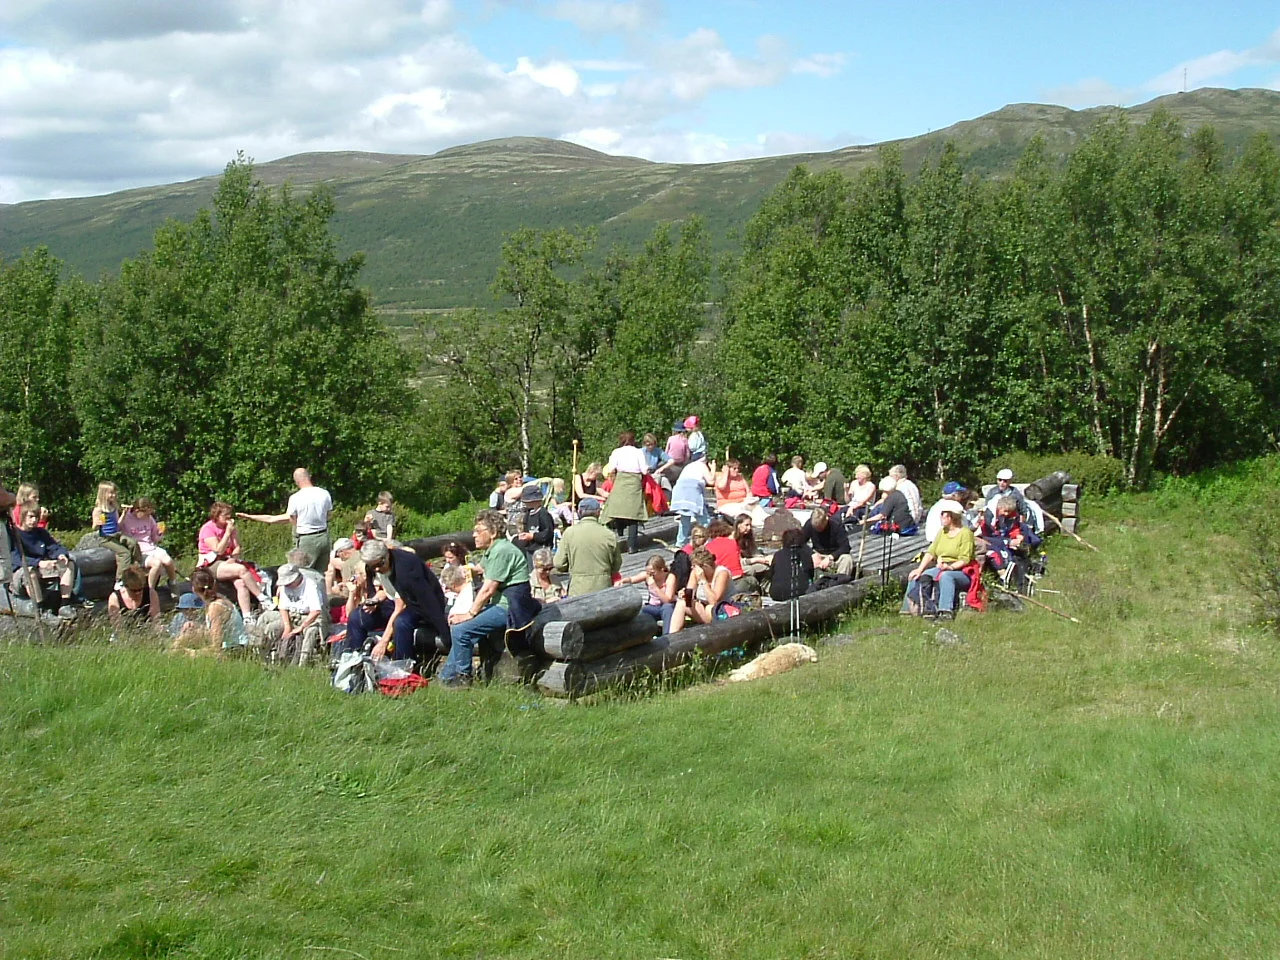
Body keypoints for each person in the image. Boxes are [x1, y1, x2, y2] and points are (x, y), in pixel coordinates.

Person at [440, 510, 536, 687]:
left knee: (461, 631)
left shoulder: (501, 551)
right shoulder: (492, 550)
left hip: (511, 608)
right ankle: (447, 677)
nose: (474, 535)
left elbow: (488, 590)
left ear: (493, 532)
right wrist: (466, 570)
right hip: (502, 604)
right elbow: (480, 568)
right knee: (461, 629)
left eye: (478, 530)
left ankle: (463, 678)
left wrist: (469, 614)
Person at [348, 539, 451, 667]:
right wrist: (375, 600)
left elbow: (401, 606)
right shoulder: (373, 568)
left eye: (380, 564)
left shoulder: (405, 568)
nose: (377, 569)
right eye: (373, 566)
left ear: (387, 555)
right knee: (356, 617)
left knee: (401, 622)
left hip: (418, 605)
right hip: (393, 601)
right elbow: (384, 590)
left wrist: (384, 641)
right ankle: (355, 660)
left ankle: (402, 666)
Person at [237, 468, 333, 571]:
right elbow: (329, 515)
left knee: (303, 571)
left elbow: (289, 520)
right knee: (322, 572)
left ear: (296, 481)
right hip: (324, 537)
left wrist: (250, 517)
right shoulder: (324, 493)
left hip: (307, 539)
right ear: (309, 477)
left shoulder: (295, 498)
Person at [197, 501, 271, 621]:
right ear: (216, 516)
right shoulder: (208, 529)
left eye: (229, 514)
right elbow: (218, 550)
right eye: (225, 515)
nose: (228, 517)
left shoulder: (231, 528)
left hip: (227, 561)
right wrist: (227, 533)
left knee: (241, 583)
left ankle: (247, 616)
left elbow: (237, 547)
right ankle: (262, 598)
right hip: (211, 563)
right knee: (241, 569)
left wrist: (233, 558)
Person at [902, 501, 976, 620]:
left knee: (946, 576)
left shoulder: (965, 534)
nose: (940, 517)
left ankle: (945, 610)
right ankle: (908, 611)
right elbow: (931, 552)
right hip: (941, 567)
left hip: (961, 571)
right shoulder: (942, 532)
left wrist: (950, 567)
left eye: (943, 515)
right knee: (916, 576)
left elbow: (965, 559)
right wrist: (919, 569)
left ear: (951, 517)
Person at [172, 568, 251, 655]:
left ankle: (173, 651)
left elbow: (216, 647)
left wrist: (190, 653)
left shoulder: (215, 607)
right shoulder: (218, 599)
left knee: (183, 652)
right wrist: (197, 629)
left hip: (234, 651)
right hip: (232, 647)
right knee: (190, 629)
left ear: (193, 589)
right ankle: (173, 649)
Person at [553, 498, 621, 597]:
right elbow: (616, 565)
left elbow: (559, 564)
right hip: (603, 587)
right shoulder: (609, 534)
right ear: (598, 512)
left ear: (579, 512)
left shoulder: (569, 533)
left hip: (578, 588)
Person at [262, 562, 327, 665]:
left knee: (311, 631)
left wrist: (301, 627)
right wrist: (288, 627)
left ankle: (303, 662)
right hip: (293, 615)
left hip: (310, 617)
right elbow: (283, 607)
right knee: (272, 628)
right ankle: (270, 656)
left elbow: (316, 611)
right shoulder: (284, 587)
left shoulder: (311, 585)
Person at [11, 506, 76, 606]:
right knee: (30, 573)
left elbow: (54, 547)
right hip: (20, 572)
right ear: (23, 516)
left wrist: (60, 555)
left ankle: (65, 604)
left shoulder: (41, 533)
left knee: (68, 565)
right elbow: (16, 558)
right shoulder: (14, 535)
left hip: (42, 569)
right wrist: (39, 563)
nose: (34, 520)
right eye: (30, 517)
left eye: (36, 517)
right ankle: (40, 608)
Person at [599, 431, 650, 554]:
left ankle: (618, 532)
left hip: (621, 481)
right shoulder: (638, 452)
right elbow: (644, 470)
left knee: (617, 509)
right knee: (633, 515)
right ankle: (632, 546)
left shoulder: (617, 452)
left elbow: (611, 468)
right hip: (634, 482)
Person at [119, 496, 178, 592]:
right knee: (157, 564)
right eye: (145, 513)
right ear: (137, 510)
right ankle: (151, 590)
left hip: (151, 547)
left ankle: (173, 583)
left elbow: (155, 539)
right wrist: (123, 514)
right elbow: (117, 528)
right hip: (139, 551)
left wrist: (160, 533)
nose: (148, 516)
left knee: (168, 561)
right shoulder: (126, 518)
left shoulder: (149, 518)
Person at [669, 547, 732, 633]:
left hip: (722, 610)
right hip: (704, 609)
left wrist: (703, 580)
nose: (692, 568)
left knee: (710, 608)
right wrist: (684, 594)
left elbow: (714, 602)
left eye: (695, 566)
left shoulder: (722, 573)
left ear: (704, 566)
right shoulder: (695, 573)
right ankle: (672, 634)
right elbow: (688, 599)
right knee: (681, 603)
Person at [91, 481, 141, 580]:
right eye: (111, 493)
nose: (114, 495)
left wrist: (124, 514)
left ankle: (136, 566)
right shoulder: (99, 510)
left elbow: (118, 525)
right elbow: (94, 527)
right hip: (106, 538)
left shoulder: (113, 508)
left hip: (117, 534)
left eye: (114, 493)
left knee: (133, 543)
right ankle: (120, 579)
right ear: (103, 494)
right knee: (124, 553)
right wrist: (97, 524)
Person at [621, 555, 678, 634]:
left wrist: (655, 587)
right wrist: (624, 581)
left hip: (666, 607)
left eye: (653, 573)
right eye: (648, 573)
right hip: (653, 607)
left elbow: (667, 600)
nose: (651, 575)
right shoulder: (647, 576)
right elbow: (631, 579)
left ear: (662, 570)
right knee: (641, 612)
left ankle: (667, 634)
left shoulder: (670, 577)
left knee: (667, 608)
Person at [670, 456, 713, 547]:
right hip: (691, 490)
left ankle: (680, 542)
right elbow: (711, 481)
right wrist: (713, 468)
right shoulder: (701, 465)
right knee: (705, 520)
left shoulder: (689, 466)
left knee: (684, 519)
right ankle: (709, 541)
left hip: (679, 490)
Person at [802, 507, 854, 576]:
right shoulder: (809, 525)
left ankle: (840, 579)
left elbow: (845, 547)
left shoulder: (836, 525)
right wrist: (812, 554)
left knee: (847, 559)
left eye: (820, 527)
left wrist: (830, 557)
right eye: (816, 528)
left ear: (826, 520)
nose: (818, 529)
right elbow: (801, 542)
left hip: (835, 556)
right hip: (818, 554)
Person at [107, 564, 160, 632]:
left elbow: (156, 621)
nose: (138, 593)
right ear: (126, 586)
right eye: (134, 590)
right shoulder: (115, 598)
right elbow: (116, 626)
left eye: (140, 589)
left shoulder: (151, 594)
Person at [768, 527, 815, 601]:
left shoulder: (778, 554)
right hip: (800, 593)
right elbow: (811, 573)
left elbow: (771, 574)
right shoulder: (806, 554)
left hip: (777, 594)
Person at [513, 484, 555, 559]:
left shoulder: (543, 514)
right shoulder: (528, 514)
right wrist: (524, 535)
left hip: (542, 549)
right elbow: (526, 528)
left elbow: (548, 533)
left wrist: (533, 536)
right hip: (530, 548)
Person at [324, 537, 363, 602]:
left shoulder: (347, 565)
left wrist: (334, 591)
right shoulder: (362, 554)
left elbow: (346, 594)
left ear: (343, 552)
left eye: (337, 553)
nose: (338, 556)